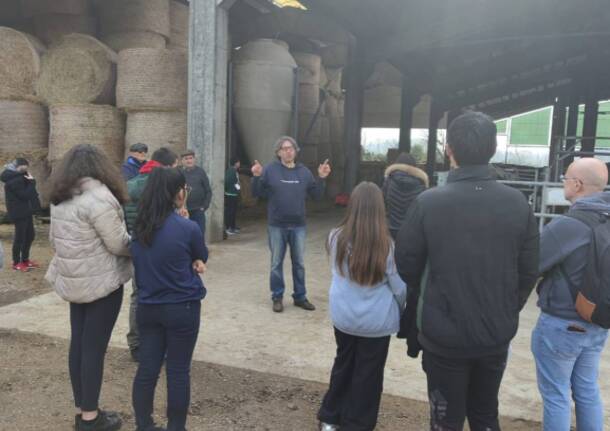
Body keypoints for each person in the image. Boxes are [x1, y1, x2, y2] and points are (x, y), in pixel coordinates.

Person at [395, 111, 539, 431]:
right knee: (486, 414)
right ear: (492, 148)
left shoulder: (428, 203)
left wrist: (434, 296)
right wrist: (504, 306)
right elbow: (529, 270)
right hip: (495, 333)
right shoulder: (517, 203)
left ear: (449, 150)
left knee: (445, 420)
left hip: (443, 334)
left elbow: (406, 263)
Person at [45, 144, 131, 431]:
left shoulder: (60, 198)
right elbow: (118, 244)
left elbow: (54, 242)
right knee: (93, 349)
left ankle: (84, 407)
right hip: (102, 283)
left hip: (74, 281)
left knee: (79, 344)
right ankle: (90, 419)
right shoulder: (100, 197)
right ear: (101, 166)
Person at [318, 182, 406, 431]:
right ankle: (358, 424)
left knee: (343, 363)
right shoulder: (387, 245)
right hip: (376, 323)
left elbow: (336, 274)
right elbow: (399, 288)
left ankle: (330, 418)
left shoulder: (335, 237)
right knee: (368, 374)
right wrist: (400, 311)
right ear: (380, 209)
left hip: (343, 318)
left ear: (352, 206)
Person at [532, 157, 610, 431]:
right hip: (598, 320)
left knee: (556, 395)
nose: (563, 182)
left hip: (562, 324)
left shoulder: (569, 224)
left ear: (577, 184)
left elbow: (532, 263)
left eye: (565, 178)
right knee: (587, 390)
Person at [131, 167, 208, 431]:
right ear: (179, 193)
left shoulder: (139, 228)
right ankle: (176, 427)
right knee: (177, 371)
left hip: (148, 307)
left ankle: (144, 425)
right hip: (181, 307)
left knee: (147, 369)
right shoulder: (188, 227)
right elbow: (201, 254)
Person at [251, 136, 331, 312]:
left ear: (295, 151)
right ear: (278, 152)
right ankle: (277, 297)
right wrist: (256, 176)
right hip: (277, 225)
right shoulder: (270, 170)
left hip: (298, 226)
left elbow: (317, 196)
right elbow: (257, 193)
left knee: (299, 264)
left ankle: (300, 297)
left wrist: (321, 178)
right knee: (276, 264)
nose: (288, 151)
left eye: (291, 148)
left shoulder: (304, 172)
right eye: (284, 148)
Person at [124, 147, 179, 362]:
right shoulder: (163, 188)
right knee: (163, 295)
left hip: (138, 247)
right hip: (160, 249)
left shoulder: (130, 184)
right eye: (174, 167)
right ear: (166, 167)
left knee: (139, 295)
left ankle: (137, 344)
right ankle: (158, 343)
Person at [1, 158, 41, 272]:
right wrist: (32, 183)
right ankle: (16, 262)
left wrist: (30, 182)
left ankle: (25, 260)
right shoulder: (13, 180)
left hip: (26, 211)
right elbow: (25, 195)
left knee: (30, 236)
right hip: (19, 213)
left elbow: (30, 193)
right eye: (25, 167)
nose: (26, 170)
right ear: (18, 166)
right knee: (20, 238)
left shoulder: (19, 176)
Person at [382, 152, 428, 239]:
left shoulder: (388, 182)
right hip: (413, 234)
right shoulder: (421, 186)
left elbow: (382, 204)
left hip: (391, 231)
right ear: (414, 168)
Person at [181, 150, 212, 240]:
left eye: (191, 158)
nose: (189, 161)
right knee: (185, 235)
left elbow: (208, 191)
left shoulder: (200, 172)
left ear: (194, 159)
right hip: (184, 211)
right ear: (182, 161)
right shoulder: (180, 173)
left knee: (199, 234)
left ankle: (199, 253)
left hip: (198, 211)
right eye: (186, 159)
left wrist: (204, 206)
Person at [224, 157, 241, 235]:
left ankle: (233, 227)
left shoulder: (234, 171)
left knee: (233, 211)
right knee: (230, 211)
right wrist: (236, 187)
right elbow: (228, 182)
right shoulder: (231, 171)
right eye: (238, 162)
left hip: (234, 193)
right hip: (230, 194)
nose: (239, 164)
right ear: (236, 163)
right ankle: (228, 228)